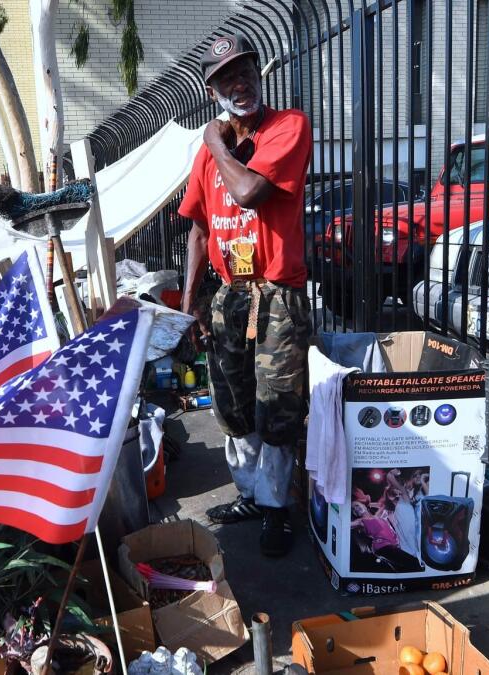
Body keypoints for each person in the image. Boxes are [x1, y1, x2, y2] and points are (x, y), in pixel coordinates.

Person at [180, 33, 313, 557]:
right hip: (229, 293)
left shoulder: (287, 127)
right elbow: (196, 228)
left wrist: (214, 143)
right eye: (228, 78)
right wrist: (189, 303)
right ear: (213, 90)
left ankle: (278, 508)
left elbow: (249, 193)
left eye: (247, 72)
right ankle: (252, 495)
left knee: (278, 408)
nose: (242, 84)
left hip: (278, 294)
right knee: (232, 404)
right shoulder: (206, 157)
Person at [350, 501, 421, 572]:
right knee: (414, 562)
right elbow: (347, 525)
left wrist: (370, 504)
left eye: (357, 505)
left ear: (364, 505)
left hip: (393, 545)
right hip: (382, 546)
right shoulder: (360, 521)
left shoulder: (378, 516)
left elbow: (384, 504)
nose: (356, 509)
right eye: (353, 509)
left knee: (405, 568)